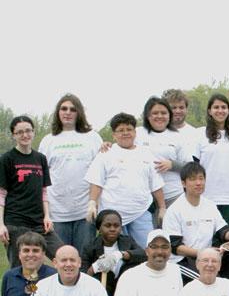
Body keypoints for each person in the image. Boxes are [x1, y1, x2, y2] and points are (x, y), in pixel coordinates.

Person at [85, 113, 166, 249]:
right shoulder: (106, 154)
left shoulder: (147, 154)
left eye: (129, 129)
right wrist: (92, 203)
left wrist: (163, 208)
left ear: (135, 132)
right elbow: (96, 181)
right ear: (114, 135)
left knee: (147, 249)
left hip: (141, 212)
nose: (125, 133)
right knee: (115, 253)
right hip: (112, 216)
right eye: (121, 130)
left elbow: (156, 185)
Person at [38, 94, 103, 253]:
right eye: (64, 109)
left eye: (72, 109)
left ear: (79, 113)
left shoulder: (92, 138)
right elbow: (40, 178)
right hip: (57, 213)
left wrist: (95, 204)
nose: (68, 112)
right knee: (62, 259)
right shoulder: (48, 140)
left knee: (83, 258)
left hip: (85, 213)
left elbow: (102, 172)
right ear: (58, 112)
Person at [0, 116, 63, 268]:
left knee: (62, 256)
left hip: (39, 222)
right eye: (20, 132)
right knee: (20, 268)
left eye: (28, 131)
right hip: (15, 222)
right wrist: (1, 224)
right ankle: (18, 292)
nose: (25, 135)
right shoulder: (7, 159)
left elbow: (43, 192)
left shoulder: (40, 159)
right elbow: (1, 195)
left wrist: (47, 216)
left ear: (33, 132)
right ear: (13, 135)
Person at [164, 161, 229, 280]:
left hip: (207, 256)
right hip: (183, 260)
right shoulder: (174, 210)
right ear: (183, 183)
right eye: (193, 179)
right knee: (204, 280)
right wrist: (202, 252)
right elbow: (176, 247)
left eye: (201, 178)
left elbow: (222, 231)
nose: (198, 183)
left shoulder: (209, 205)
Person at [191, 93, 229, 227]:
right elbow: (195, 168)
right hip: (207, 197)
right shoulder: (200, 134)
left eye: (223, 107)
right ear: (209, 111)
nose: (220, 111)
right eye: (216, 107)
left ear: (228, 110)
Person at [136, 96, 191, 209]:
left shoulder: (178, 137)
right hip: (145, 197)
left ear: (169, 115)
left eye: (163, 113)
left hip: (173, 196)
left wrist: (172, 164)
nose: (160, 116)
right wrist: (106, 145)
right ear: (147, 115)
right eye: (155, 113)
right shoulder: (137, 134)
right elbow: (122, 149)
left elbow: (191, 167)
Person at [80, 210, 146, 296]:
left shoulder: (128, 241)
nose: (112, 229)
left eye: (116, 226)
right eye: (107, 226)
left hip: (126, 291)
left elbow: (144, 255)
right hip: (101, 293)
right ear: (99, 228)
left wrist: (121, 255)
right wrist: (96, 267)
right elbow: (83, 276)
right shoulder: (90, 247)